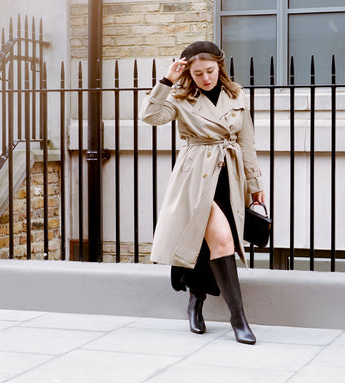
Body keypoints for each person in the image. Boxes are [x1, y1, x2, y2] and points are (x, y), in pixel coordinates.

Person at [139, 41, 265, 345]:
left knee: (204, 244)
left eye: (210, 71)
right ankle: (239, 321)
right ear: (189, 74)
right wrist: (166, 80)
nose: (205, 78)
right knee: (223, 241)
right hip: (196, 176)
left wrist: (255, 184)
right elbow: (149, 116)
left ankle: (196, 298)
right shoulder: (180, 96)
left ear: (219, 67)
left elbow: (246, 142)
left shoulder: (236, 94)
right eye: (197, 74)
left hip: (229, 176)